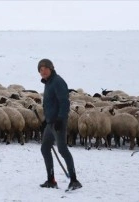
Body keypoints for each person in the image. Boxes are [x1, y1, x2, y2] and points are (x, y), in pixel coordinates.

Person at [38, 58, 82, 190]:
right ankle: (51, 180)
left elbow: (64, 102)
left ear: (51, 68)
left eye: (45, 68)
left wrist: (60, 119)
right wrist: (46, 120)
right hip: (50, 123)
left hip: (58, 123)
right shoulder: (48, 83)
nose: (43, 71)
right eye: (40, 70)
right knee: (45, 148)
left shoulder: (58, 82)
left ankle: (74, 180)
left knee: (62, 149)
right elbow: (50, 103)